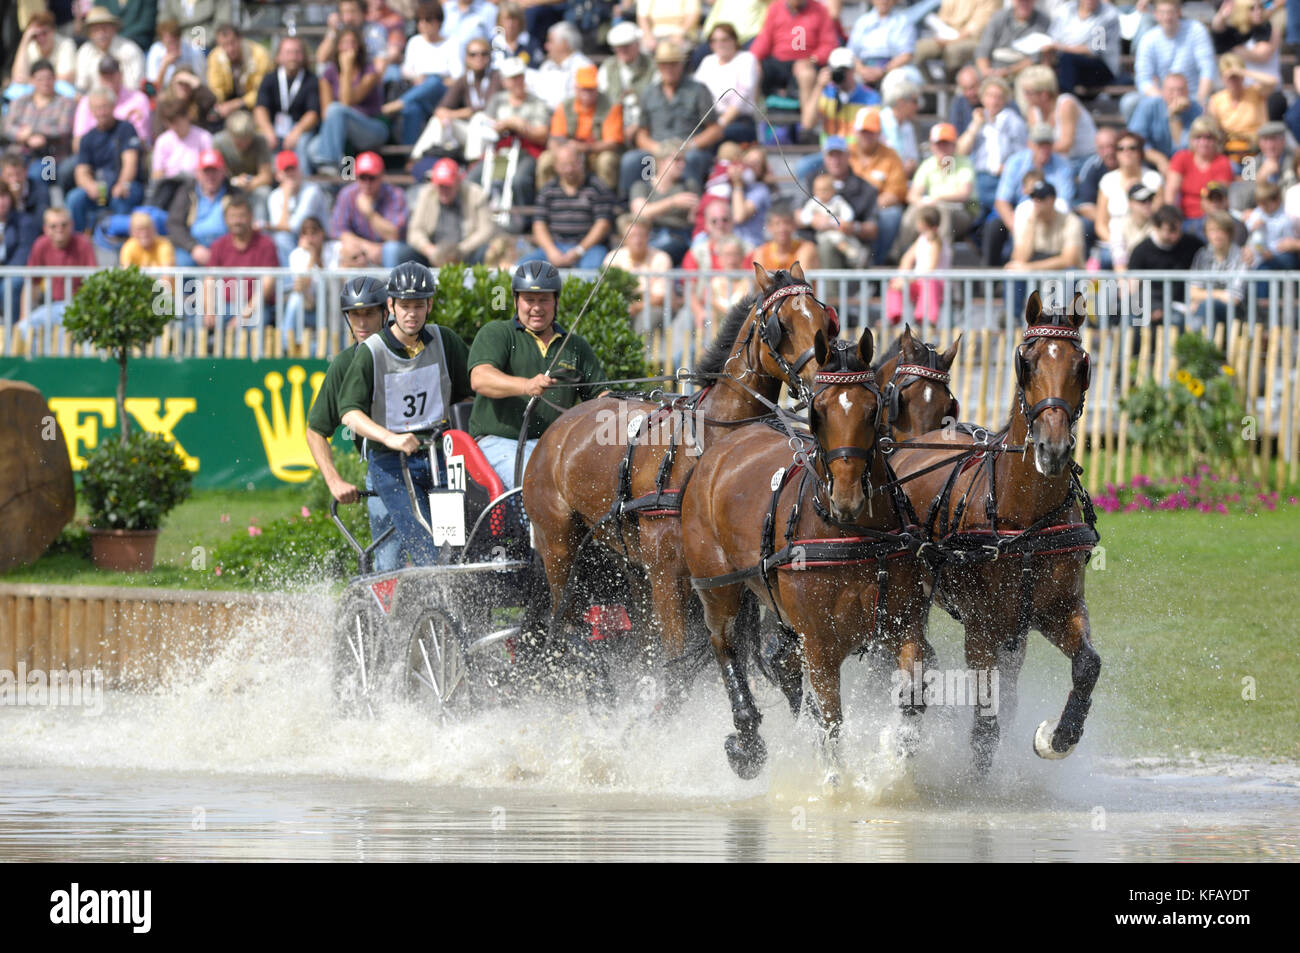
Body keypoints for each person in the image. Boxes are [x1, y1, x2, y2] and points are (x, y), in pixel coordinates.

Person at [339, 263, 474, 567]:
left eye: (418, 306)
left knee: (454, 540)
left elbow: (468, 394)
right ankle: (435, 606)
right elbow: (349, 413)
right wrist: (392, 438)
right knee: (424, 540)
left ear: (430, 305)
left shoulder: (445, 340)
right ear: (391, 306)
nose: (411, 314)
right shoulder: (371, 351)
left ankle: (456, 603)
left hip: (440, 456)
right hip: (391, 461)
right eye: (404, 306)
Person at [468, 260, 604, 490]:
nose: (537, 307)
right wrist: (526, 385)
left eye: (544, 300)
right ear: (515, 301)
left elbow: (600, 394)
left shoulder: (575, 345)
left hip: (557, 445)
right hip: (499, 443)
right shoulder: (497, 333)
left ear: (556, 302)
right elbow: (480, 378)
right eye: (529, 300)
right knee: (535, 485)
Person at [306, 276, 402, 572]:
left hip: (432, 460)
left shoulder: (413, 347)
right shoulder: (344, 364)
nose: (361, 322)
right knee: (388, 566)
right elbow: (316, 430)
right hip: (384, 466)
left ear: (385, 313)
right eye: (354, 314)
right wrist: (334, 480)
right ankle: (389, 612)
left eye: (368, 313)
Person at [619, 39, 722, 198]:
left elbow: (714, 130)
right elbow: (642, 132)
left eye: (674, 63)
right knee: (632, 160)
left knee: (692, 160)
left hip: (687, 151)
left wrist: (691, 145)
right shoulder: (649, 92)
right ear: (658, 66)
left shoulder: (698, 90)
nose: (669, 68)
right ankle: (633, 204)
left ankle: (691, 204)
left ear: (681, 65)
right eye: (664, 64)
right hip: (657, 151)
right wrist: (655, 148)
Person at [524, 140, 617, 269]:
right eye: (564, 165)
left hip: (589, 249)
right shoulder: (548, 190)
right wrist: (551, 251)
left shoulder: (597, 188)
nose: (569, 169)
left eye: (573, 164)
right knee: (522, 269)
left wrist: (579, 250)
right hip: (555, 246)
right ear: (555, 166)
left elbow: (603, 224)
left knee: (590, 275)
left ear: (581, 163)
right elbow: (539, 225)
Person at [307, 26, 387, 174]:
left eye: (352, 43)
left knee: (337, 110)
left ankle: (330, 163)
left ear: (359, 46)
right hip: (341, 134)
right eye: (344, 43)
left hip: (370, 127)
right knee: (312, 147)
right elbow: (326, 114)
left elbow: (347, 101)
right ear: (337, 46)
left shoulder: (369, 71)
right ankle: (344, 177)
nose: (349, 47)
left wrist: (347, 69)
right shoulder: (329, 73)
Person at [66, 86, 145, 234]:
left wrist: (121, 184)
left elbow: (130, 163)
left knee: (121, 198)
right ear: (91, 110)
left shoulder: (125, 129)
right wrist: (90, 185)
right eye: (96, 108)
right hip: (101, 190)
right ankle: (80, 240)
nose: (101, 112)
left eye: (104, 107)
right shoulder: (87, 138)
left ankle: (120, 243)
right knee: (75, 198)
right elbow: (81, 171)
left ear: (113, 106)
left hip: (126, 185)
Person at [538, 64, 624, 190]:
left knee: (607, 160)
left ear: (597, 87)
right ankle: (546, 199)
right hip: (568, 152)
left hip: (596, 153)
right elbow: (554, 139)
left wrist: (584, 148)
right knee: (546, 160)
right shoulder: (565, 106)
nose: (587, 93)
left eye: (591, 88)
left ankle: (606, 201)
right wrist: (564, 156)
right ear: (576, 88)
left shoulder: (611, 106)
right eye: (584, 88)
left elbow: (612, 143)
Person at [203, 195, 279, 330]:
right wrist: (209, 310)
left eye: (241, 216)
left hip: (256, 308)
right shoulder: (218, 245)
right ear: (225, 219)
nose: (237, 221)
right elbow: (209, 280)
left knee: (256, 325)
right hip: (223, 306)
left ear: (251, 216)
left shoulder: (266, 244)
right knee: (193, 323)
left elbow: (268, 284)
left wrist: (244, 315)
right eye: (232, 216)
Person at [898, 121, 976, 251]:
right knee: (912, 212)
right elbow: (913, 195)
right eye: (938, 144)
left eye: (946, 143)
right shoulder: (928, 164)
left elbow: (964, 194)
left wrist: (937, 198)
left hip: (962, 211)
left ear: (954, 145)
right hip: (933, 208)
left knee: (942, 210)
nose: (942, 148)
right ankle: (901, 254)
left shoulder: (964, 163)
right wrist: (922, 203)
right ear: (932, 146)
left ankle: (941, 256)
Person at [330, 151, 416, 269]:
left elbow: (394, 235)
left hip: (386, 251)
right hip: (360, 248)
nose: (367, 183)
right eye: (363, 177)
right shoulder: (347, 194)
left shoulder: (395, 195)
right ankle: (347, 287)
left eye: (372, 178)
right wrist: (365, 247)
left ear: (381, 176)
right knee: (338, 248)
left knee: (391, 249)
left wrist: (370, 214)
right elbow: (339, 230)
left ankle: (391, 287)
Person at [407, 156, 499, 266]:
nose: (444, 190)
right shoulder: (426, 194)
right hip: (432, 254)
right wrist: (429, 250)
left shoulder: (475, 194)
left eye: (448, 186)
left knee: (485, 251)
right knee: (398, 252)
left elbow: (486, 231)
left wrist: (460, 250)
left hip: (467, 253)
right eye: (441, 186)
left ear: (458, 182)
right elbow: (414, 231)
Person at [957, 76, 1027, 218]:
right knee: (972, 214)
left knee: (996, 218)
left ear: (1005, 100)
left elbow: (1022, 154)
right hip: (979, 178)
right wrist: (975, 126)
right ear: (982, 98)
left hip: (1003, 179)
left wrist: (1008, 167)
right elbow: (960, 151)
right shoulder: (978, 119)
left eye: (998, 97)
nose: (993, 101)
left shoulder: (1013, 121)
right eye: (990, 96)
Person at [1125, 205, 1204, 325]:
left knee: (1178, 320)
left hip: (1182, 306)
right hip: (1149, 304)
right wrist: (1151, 308)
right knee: (1133, 321)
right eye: (1170, 231)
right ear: (1156, 227)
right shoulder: (1141, 250)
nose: (1175, 235)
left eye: (1178, 229)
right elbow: (1133, 288)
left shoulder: (1193, 244)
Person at [748, 0, 839, 104]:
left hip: (807, 63)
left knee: (806, 74)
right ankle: (753, 115)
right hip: (778, 63)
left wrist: (812, 60)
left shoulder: (820, 10)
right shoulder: (775, 8)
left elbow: (829, 44)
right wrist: (753, 59)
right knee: (753, 68)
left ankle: (807, 118)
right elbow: (765, 38)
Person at [22, 207, 97, 334]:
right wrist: (24, 318)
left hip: (79, 307)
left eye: (64, 225)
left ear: (72, 225)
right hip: (51, 306)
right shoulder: (40, 244)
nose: (59, 229)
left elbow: (94, 281)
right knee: (23, 328)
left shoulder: (83, 243)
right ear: (45, 229)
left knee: (64, 330)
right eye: (53, 226)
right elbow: (31, 284)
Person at [253, 35, 320, 174]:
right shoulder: (269, 78)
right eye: (288, 52)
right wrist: (268, 130)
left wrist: (296, 132)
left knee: (301, 143)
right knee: (264, 141)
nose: (293, 57)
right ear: (278, 56)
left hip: (300, 129)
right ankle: (272, 184)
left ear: (303, 56)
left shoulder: (311, 80)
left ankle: (303, 184)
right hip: (274, 128)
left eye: (297, 52)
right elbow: (260, 108)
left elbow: (313, 114)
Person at [848, 106, 907, 263]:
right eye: (863, 131)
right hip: (846, 208)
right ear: (855, 131)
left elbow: (896, 191)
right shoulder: (845, 153)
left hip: (876, 209)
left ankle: (876, 263)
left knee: (891, 215)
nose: (867, 136)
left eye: (871, 131)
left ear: (879, 133)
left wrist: (868, 208)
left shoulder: (890, 155)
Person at [1096, 132, 1163, 267]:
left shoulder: (1153, 178)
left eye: (1132, 148)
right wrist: (1116, 243)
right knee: (1102, 259)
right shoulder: (1108, 180)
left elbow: (1158, 215)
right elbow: (1100, 225)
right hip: (1114, 241)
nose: (1126, 152)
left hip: (1145, 237)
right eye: (1121, 148)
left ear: (1140, 152)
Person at [629, 142, 699, 264]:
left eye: (683, 160)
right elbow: (640, 213)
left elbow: (694, 218)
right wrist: (673, 202)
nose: (682, 165)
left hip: (678, 237)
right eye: (677, 160)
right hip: (648, 236)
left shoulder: (688, 186)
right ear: (661, 161)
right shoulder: (642, 186)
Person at [167, 148, 240, 267]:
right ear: (198, 173)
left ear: (223, 172)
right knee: (184, 264)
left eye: (215, 171)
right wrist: (193, 247)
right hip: (192, 245)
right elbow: (174, 223)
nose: (210, 176)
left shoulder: (234, 194)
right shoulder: (186, 192)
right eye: (206, 171)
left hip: (226, 245)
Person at [604, 213, 672, 332]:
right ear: (623, 238)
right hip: (621, 307)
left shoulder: (661, 258)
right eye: (632, 236)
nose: (637, 240)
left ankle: (644, 350)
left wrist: (634, 307)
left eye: (641, 235)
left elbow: (659, 298)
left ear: (648, 236)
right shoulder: (612, 258)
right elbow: (606, 292)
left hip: (651, 308)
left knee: (647, 321)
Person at [692, 22, 759, 144]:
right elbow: (695, 89)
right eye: (714, 41)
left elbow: (741, 94)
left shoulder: (746, 59)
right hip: (710, 123)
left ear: (734, 41)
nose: (720, 44)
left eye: (724, 40)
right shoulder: (708, 61)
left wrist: (720, 124)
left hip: (739, 122)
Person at [1166, 116, 1234, 234]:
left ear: (1216, 140)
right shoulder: (1181, 157)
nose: (1203, 142)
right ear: (1191, 140)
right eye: (1198, 137)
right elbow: (1171, 191)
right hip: (1183, 217)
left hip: (1211, 218)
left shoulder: (1222, 162)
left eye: (1209, 138)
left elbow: (1218, 199)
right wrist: (1172, 217)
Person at [281, 216, 339, 354]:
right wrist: (312, 256)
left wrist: (315, 256)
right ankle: (285, 346)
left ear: (322, 233)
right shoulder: (297, 254)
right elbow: (302, 286)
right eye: (305, 234)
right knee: (296, 298)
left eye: (314, 233)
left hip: (331, 306)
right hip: (309, 305)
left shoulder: (335, 249)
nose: (310, 238)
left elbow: (330, 282)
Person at [2, 59, 75, 167]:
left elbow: (63, 129)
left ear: (55, 79)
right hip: (19, 153)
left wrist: (33, 132)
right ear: (31, 80)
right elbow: (7, 126)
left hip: (51, 156)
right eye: (40, 79)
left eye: (49, 78)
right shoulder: (20, 101)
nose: (45, 83)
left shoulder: (65, 102)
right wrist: (22, 135)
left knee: (39, 175)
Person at [1128, 71, 1202, 174]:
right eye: (1171, 90)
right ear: (1162, 92)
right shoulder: (1148, 106)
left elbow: (1186, 147)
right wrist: (1159, 159)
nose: (1176, 94)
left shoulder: (1196, 109)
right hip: (1150, 165)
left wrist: (1174, 117)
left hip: (1186, 166)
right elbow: (1135, 140)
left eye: (1180, 90)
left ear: (1187, 92)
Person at [1206, 53, 1274, 165]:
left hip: (1256, 150)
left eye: (1236, 77)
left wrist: (1241, 71)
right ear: (1222, 78)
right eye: (1229, 78)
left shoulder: (1255, 92)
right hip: (1230, 151)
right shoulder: (1216, 100)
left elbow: (1272, 82)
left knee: (1250, 173)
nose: (1233, 81)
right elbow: (1214, 131)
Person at [266, 150, 332, 266]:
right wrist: (287, 197)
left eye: (293, 169)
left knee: (283, 237)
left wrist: (286, 196)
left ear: (300, 170)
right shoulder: (274, 196)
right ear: (278, 175)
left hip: (319, 238)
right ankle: (290, 283)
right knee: (281, 238)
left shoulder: (312, 191)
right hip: (299, 239)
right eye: (286, 171)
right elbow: (280, 228)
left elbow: (295, 226)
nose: (291, 174)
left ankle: (292, 282)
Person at [887, 206, 949, 326]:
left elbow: (930, 269)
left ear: (923, 223)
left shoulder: (937, 241)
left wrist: (907, 281)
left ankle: (926, 319)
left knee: (929, 283)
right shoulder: (922, 239)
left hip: (935, 284)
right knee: (895, 282)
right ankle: (893, 315)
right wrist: (901, 278)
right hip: (919, 281)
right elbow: (907, 259)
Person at [1188, 210, 1246, 332]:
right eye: (1212, 230)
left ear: (1229, 233)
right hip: (1208, 310)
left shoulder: (1242, 256)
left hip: (1238, 313)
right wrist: (1219, 294)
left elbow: (1234, 298)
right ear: (1206, 233)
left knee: (1205, 307)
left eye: (1221, 230)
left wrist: (1203, 296)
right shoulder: (1202, 255)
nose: (1217, 235)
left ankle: (1204, 348)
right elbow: (1193, 292)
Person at [915, 0, 1000, 79]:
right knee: (918, 49)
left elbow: (978, 27)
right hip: (948, 34)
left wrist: (952, 40)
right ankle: (929, 89)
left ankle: (954, 86)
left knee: (953, 51)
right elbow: (943, 17)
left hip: (977, 39)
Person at [207, 22, 273, 122]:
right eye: (224, 45)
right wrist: (219, 105)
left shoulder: (260, 56)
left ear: (240, 39)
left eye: (232, 43)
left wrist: (237, 104)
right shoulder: (215, 56)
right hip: (227, 102)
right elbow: (216, 89)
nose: (230, 49)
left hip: (255, 104)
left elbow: (262, 91)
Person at [801, 172, 868, 266]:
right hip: (824, 233)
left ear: (833, 190)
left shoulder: (837, 200)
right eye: (819, 190)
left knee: (851, 240)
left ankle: (859, 256)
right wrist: (813, 220)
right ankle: (850, 253)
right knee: (834, 239)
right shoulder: (814, 202)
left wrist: (844, 220)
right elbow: (804, 215)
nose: (822, 193)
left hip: (840, 229)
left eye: (825, 190)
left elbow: (847, 211)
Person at [74, 7, 145, 94]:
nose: (101, 34)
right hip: (94, 103)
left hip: (126, 102)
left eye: (104, 28)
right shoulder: (84, 52)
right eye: (96, 30)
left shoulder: (130, 50)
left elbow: (135, 86)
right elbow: (81, 88)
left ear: (114, 29)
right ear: (89, 33)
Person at [975, 0, 1052, 80]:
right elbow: (983, 49)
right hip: (993, 68)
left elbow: (1035, 58)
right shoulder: (999, 17)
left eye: (1028, 1)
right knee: (968, 77)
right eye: (1020, 1)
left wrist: (1008, 72)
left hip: (1022, 74)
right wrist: (985, 70)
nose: (1024, 4)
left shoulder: (1043, 22)